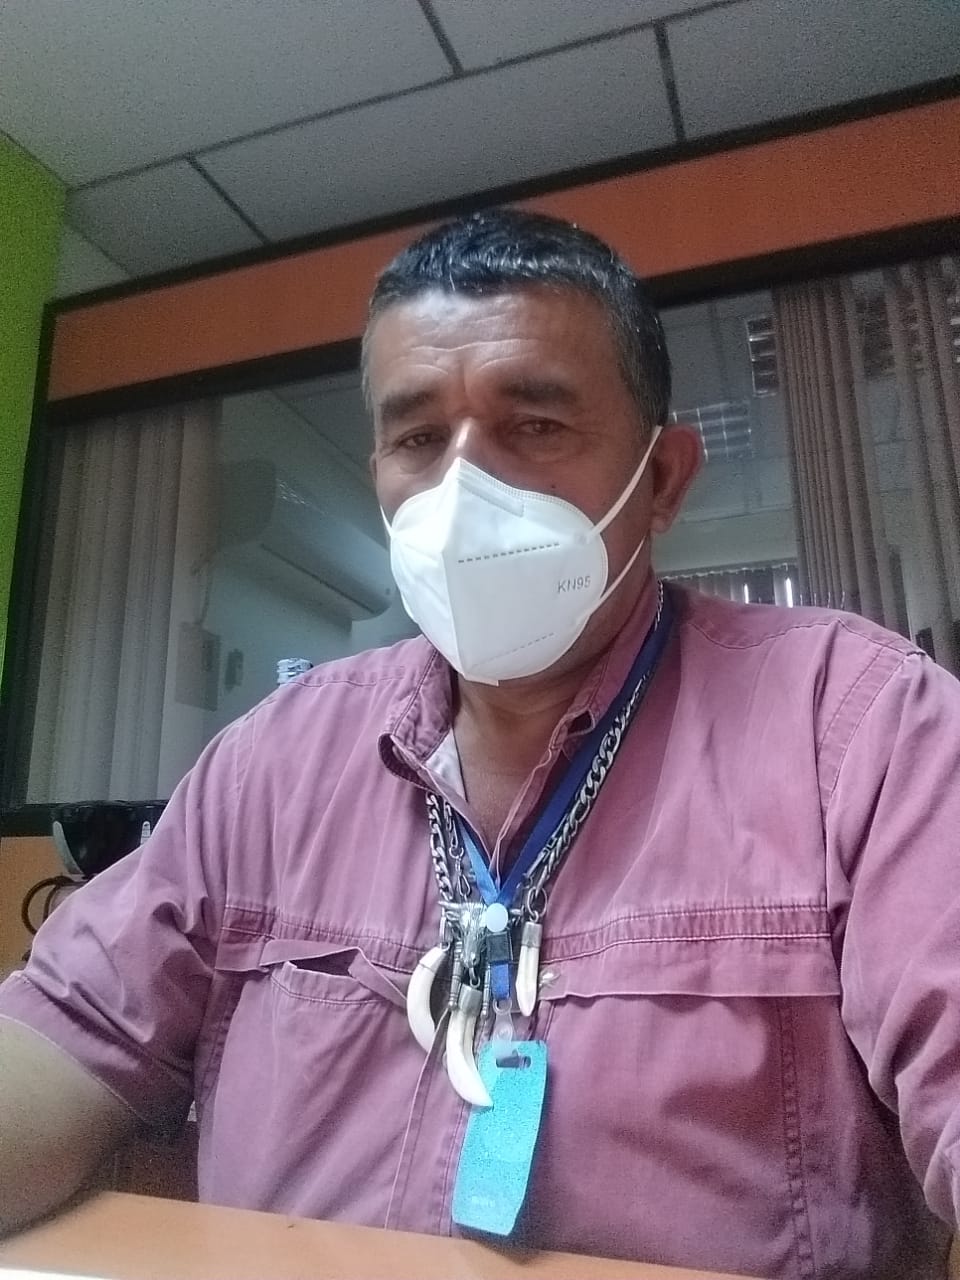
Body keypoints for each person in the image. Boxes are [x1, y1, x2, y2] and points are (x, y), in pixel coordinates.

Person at [1, 209, 958, 1279]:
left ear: (662, 481)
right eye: (418, 438)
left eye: (535, 425)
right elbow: (65, 1036)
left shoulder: (858, 728)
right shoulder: (271, 762)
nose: (464, 492)